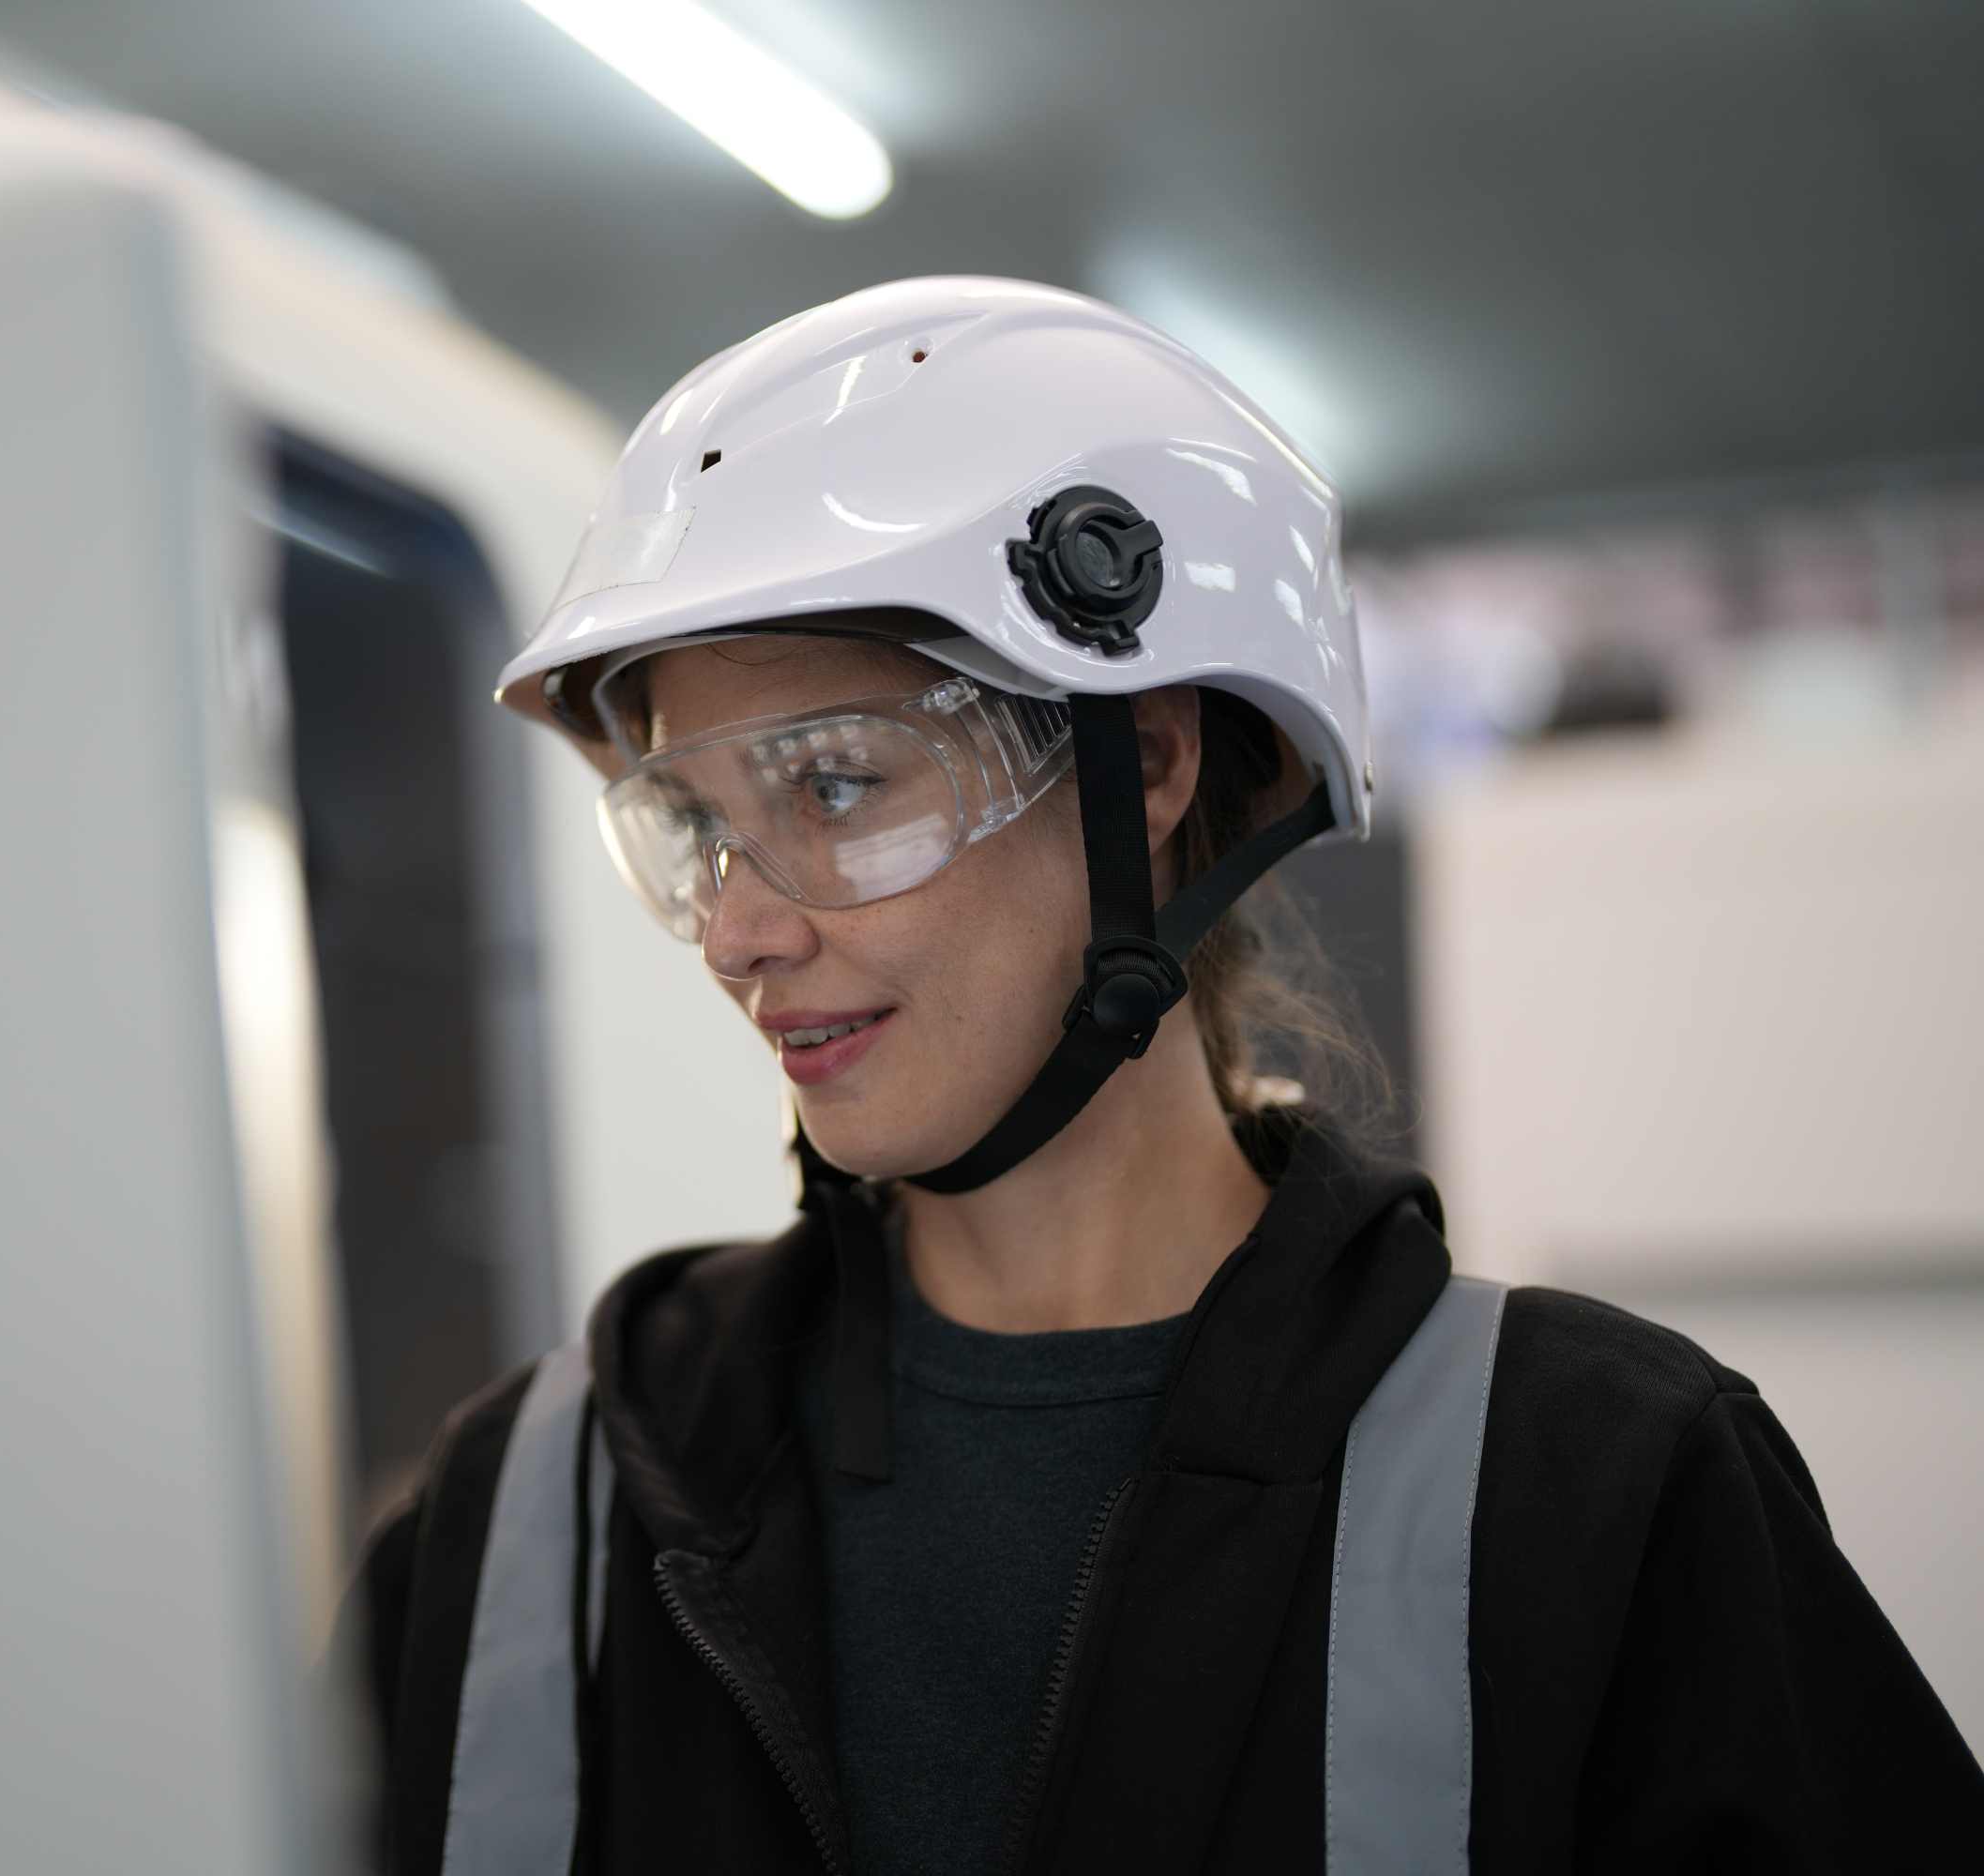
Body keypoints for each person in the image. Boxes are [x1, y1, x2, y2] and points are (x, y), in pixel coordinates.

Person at [348, 278, 1984, 1876]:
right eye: (700, 828)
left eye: (836, 786)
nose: (741, 932)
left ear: (1154, 764)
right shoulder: (532, 1513)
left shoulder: (1595, 1490)